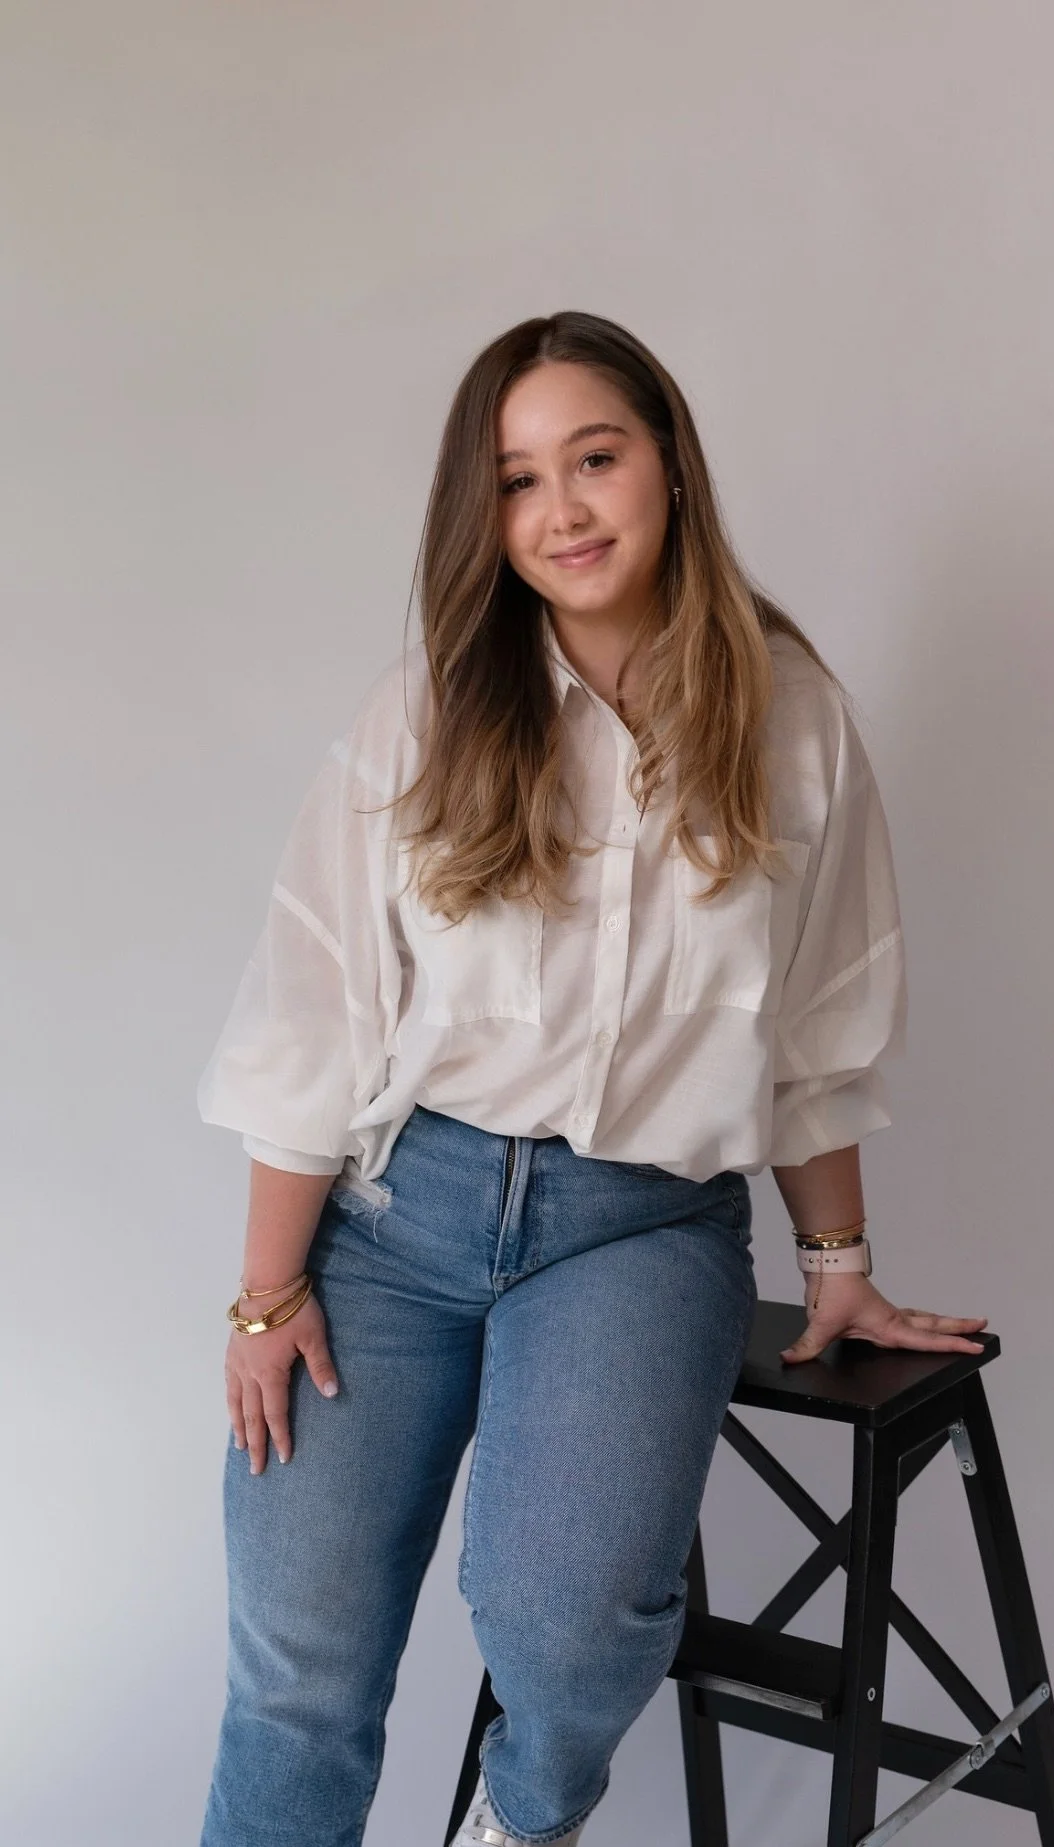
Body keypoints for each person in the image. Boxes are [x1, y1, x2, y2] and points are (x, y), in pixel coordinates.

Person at [195, 309, 987, 1847]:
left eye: (594, 458)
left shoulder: (789, 716)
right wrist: (263, 1291)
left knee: (567, 1618)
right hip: (394, 1222)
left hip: (637, 1227)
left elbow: (818, 1027)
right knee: (299, 1663)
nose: (560, 509)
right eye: (514, 479)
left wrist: (839, 1266)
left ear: (669, 467)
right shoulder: (430, 710)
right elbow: (317, 1007)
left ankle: (522, 1820)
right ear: (479, 517)